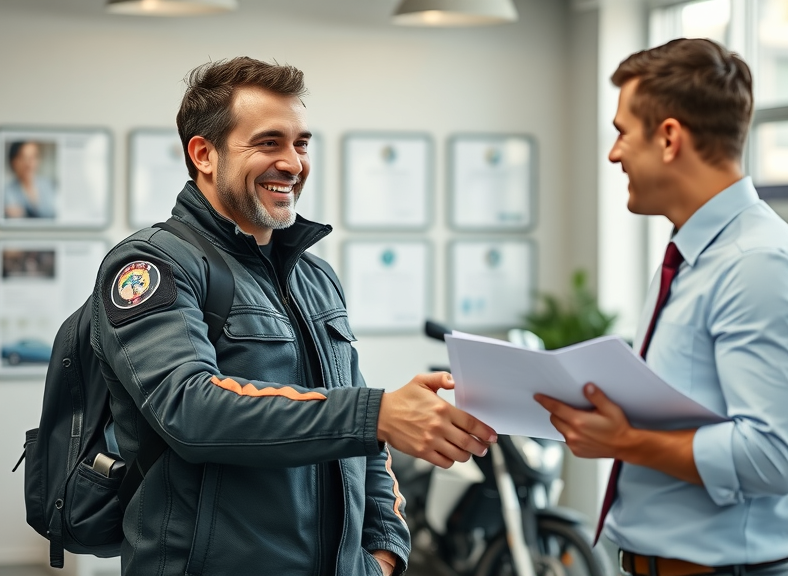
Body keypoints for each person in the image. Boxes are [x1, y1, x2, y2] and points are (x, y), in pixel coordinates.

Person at [90, 57, 497, 576]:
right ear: (204, 154)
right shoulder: (152, 265)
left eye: (301, 143)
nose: (292, 162)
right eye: (268, 143)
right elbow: (190, 408)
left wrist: (384, 554)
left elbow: (366, 442)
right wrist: (375, 414)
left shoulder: (316, 278)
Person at [535, 38, 788, 576]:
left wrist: (626, 441)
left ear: (670, 138)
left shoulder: (758, 265)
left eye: (622, 133)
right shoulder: (692, 255)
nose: (614, 153)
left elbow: (771, 456)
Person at [4, 141, 56, 219]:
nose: (29, 164)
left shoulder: (49, 185)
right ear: (13, 161)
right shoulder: (6, 191)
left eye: (33, 157)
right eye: (23, 157)